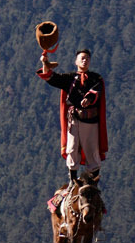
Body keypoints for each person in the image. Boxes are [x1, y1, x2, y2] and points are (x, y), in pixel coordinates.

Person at [38, 45, 107, 183]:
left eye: (87, 58)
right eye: (82, 58)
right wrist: (45, 62)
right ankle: (73, 181)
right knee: (72, 147)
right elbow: (51, 78)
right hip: (74, 119)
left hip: (91, 120)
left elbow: (96, 91)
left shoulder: (95, 78)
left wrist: (88, 99)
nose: (85, 61)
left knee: (92, 149)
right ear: (76, 61)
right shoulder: (69, 78)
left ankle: (93, 183)